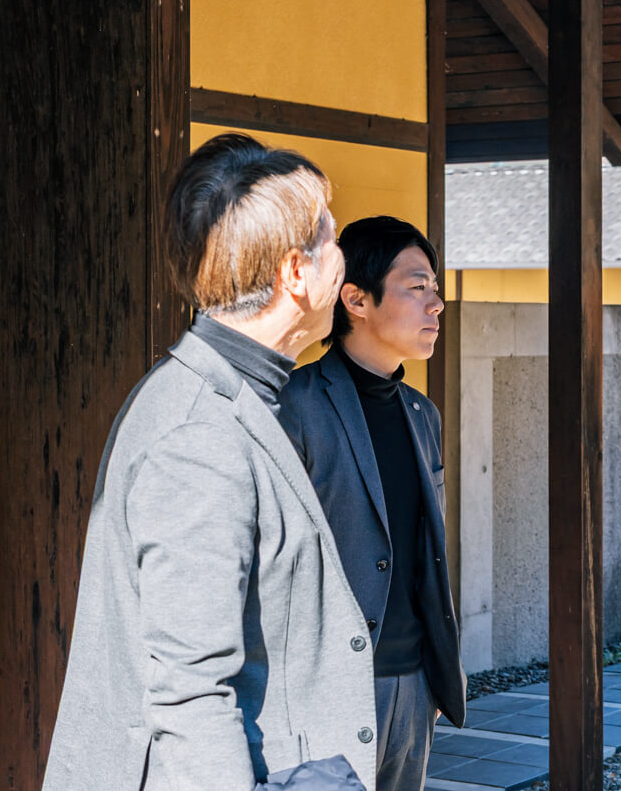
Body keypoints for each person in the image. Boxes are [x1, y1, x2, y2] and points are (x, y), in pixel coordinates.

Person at [43, 133, 382, 790]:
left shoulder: (229, 399)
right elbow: (190, 692)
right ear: (293, 273)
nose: (341, 260)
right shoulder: (199, 435)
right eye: (330, 239)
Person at [279, 216, 466, 791]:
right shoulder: (295, 405)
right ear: (355, 298)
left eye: (435, 288)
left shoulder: (422, 413)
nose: (436, 304)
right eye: (417, 287)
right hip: (325, 694)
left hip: (412, 687)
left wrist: (434, 679)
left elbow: (422, 551)